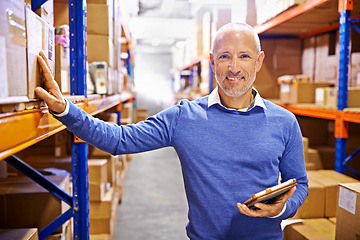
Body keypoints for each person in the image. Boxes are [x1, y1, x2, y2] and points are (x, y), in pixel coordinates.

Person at [36, 22, 308, 240]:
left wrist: (282, 208)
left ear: (258, 61)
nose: (234, 67)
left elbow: (300, 184)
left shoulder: (284, 121)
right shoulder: (184, 117)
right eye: (225, 56)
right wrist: (66, 110)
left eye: (244, 57)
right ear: (212, 61)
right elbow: (118, 140)